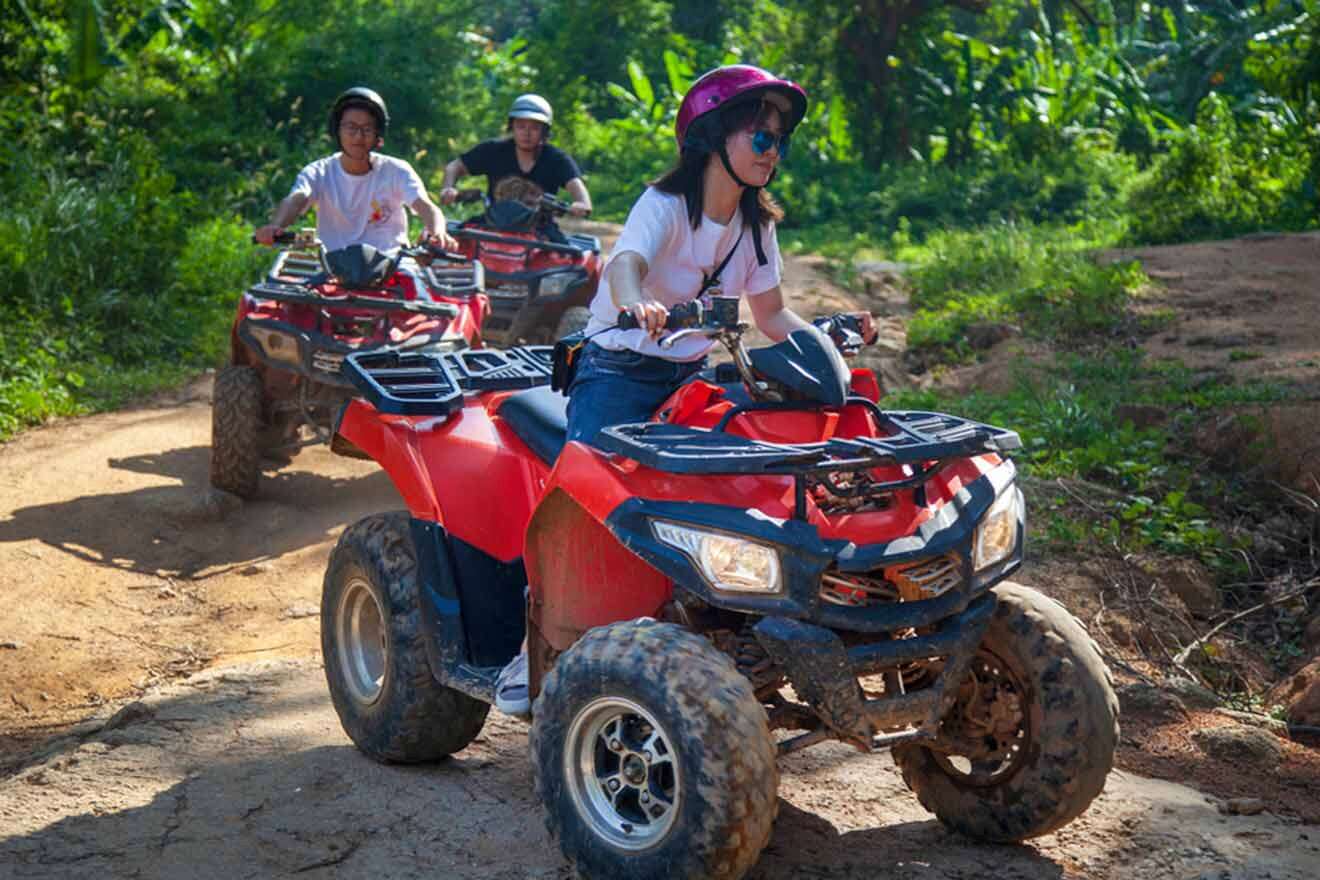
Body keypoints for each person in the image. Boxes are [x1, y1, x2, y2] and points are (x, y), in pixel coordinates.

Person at [492, 65, 873, 717]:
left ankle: (718, 625)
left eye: (779, 140)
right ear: (713, 137)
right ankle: (533, 651)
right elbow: (626, 265)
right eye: (760, 136)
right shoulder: (665, 207)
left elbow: (772, 314)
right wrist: (637, 303)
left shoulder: (755, 225)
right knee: (584, 507)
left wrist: (827, 339)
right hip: (616, 371)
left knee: (724, 503)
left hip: (690, 377)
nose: (772, 151)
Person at [254, 87, 457, 253]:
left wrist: (438, 232)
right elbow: (296, 200)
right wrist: (276, 226)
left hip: (391, 266)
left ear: (378, 135)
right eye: (351, 128)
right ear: (337, 130)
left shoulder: (396, 170)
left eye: (367, 129)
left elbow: (426, 206)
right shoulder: (318, 172)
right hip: (332, 269)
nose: (358, 137)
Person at [438, 94, 592, 218]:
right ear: (512, 127)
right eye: (520, 126)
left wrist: (581, 204)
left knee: (565, 256)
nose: (526, 133)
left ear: (544, 131)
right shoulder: (493, 151)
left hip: (540, 230)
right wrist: (448, 189)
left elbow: (579, 190)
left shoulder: (557, 159)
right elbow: (454, 167)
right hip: (494, 222)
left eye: (534, 128)